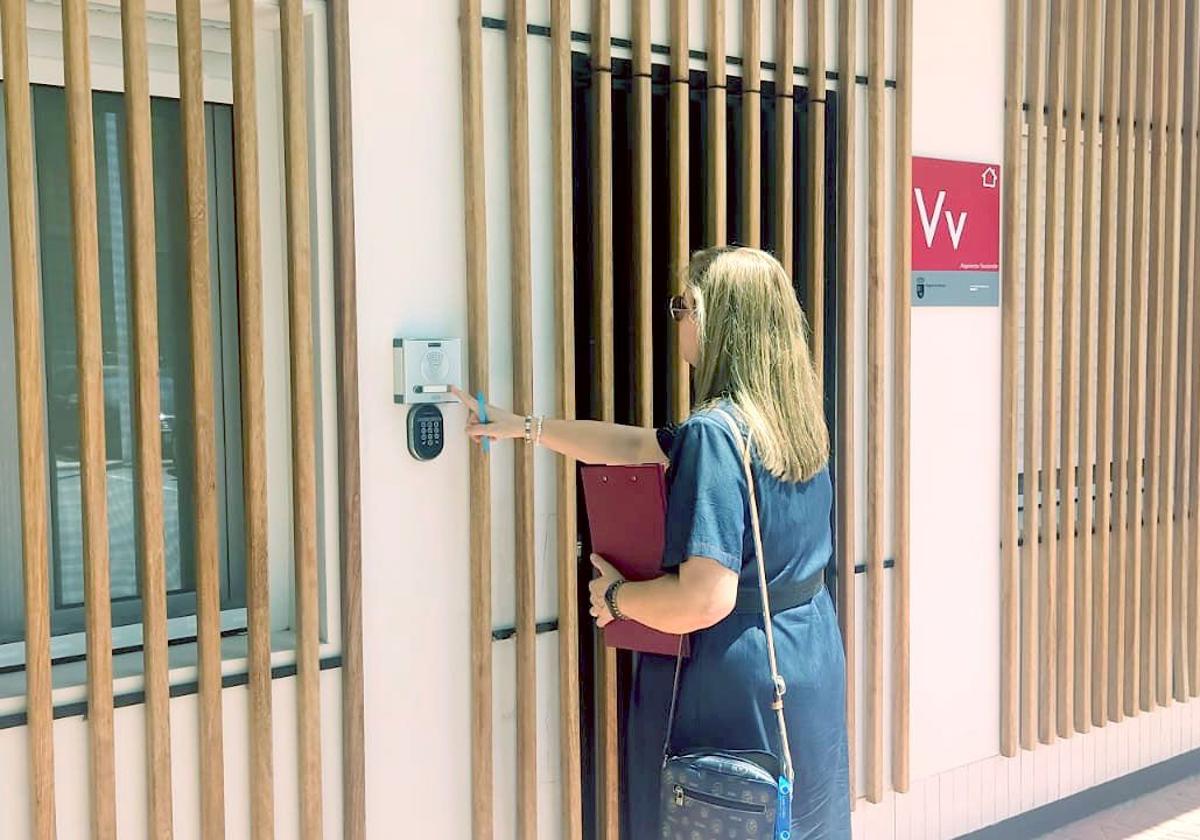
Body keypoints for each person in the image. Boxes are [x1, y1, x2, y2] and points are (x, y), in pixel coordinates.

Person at [453, 246, 851, 838]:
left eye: (684, 306)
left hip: (733, 676)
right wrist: (525, 428)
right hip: (807, 652)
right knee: (794, 813)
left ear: (719, 322)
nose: (679, 320)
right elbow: (637, 446)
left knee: (719, 813)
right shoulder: (792, 420)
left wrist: (617, 601)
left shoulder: (715, 432)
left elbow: (704, 598)